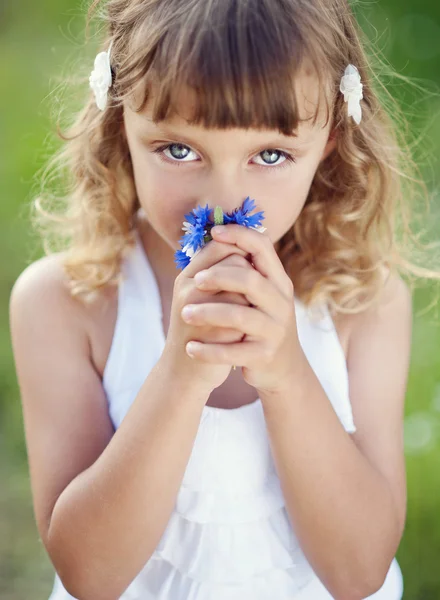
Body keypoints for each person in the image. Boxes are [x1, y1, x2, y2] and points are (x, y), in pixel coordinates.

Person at [9, 0, 439, 598]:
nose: (222, 199)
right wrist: (180, 379)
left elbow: (358, 571)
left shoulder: (362, 304)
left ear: (330, 144)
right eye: (179, 150)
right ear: (119, 124)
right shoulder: (66, 304)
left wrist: (287, 373)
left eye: (270, 155)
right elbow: (89, 575)